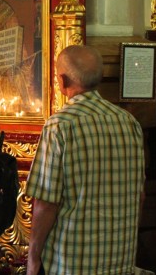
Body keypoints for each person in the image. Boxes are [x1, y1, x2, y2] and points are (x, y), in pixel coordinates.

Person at [25, 44, 145, 275]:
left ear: (62, 81)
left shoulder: (60, 125)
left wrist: (33, 258)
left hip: (72, 263)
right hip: (121, 260)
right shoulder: (129, 123)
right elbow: (139, 195)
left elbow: (46, 204)